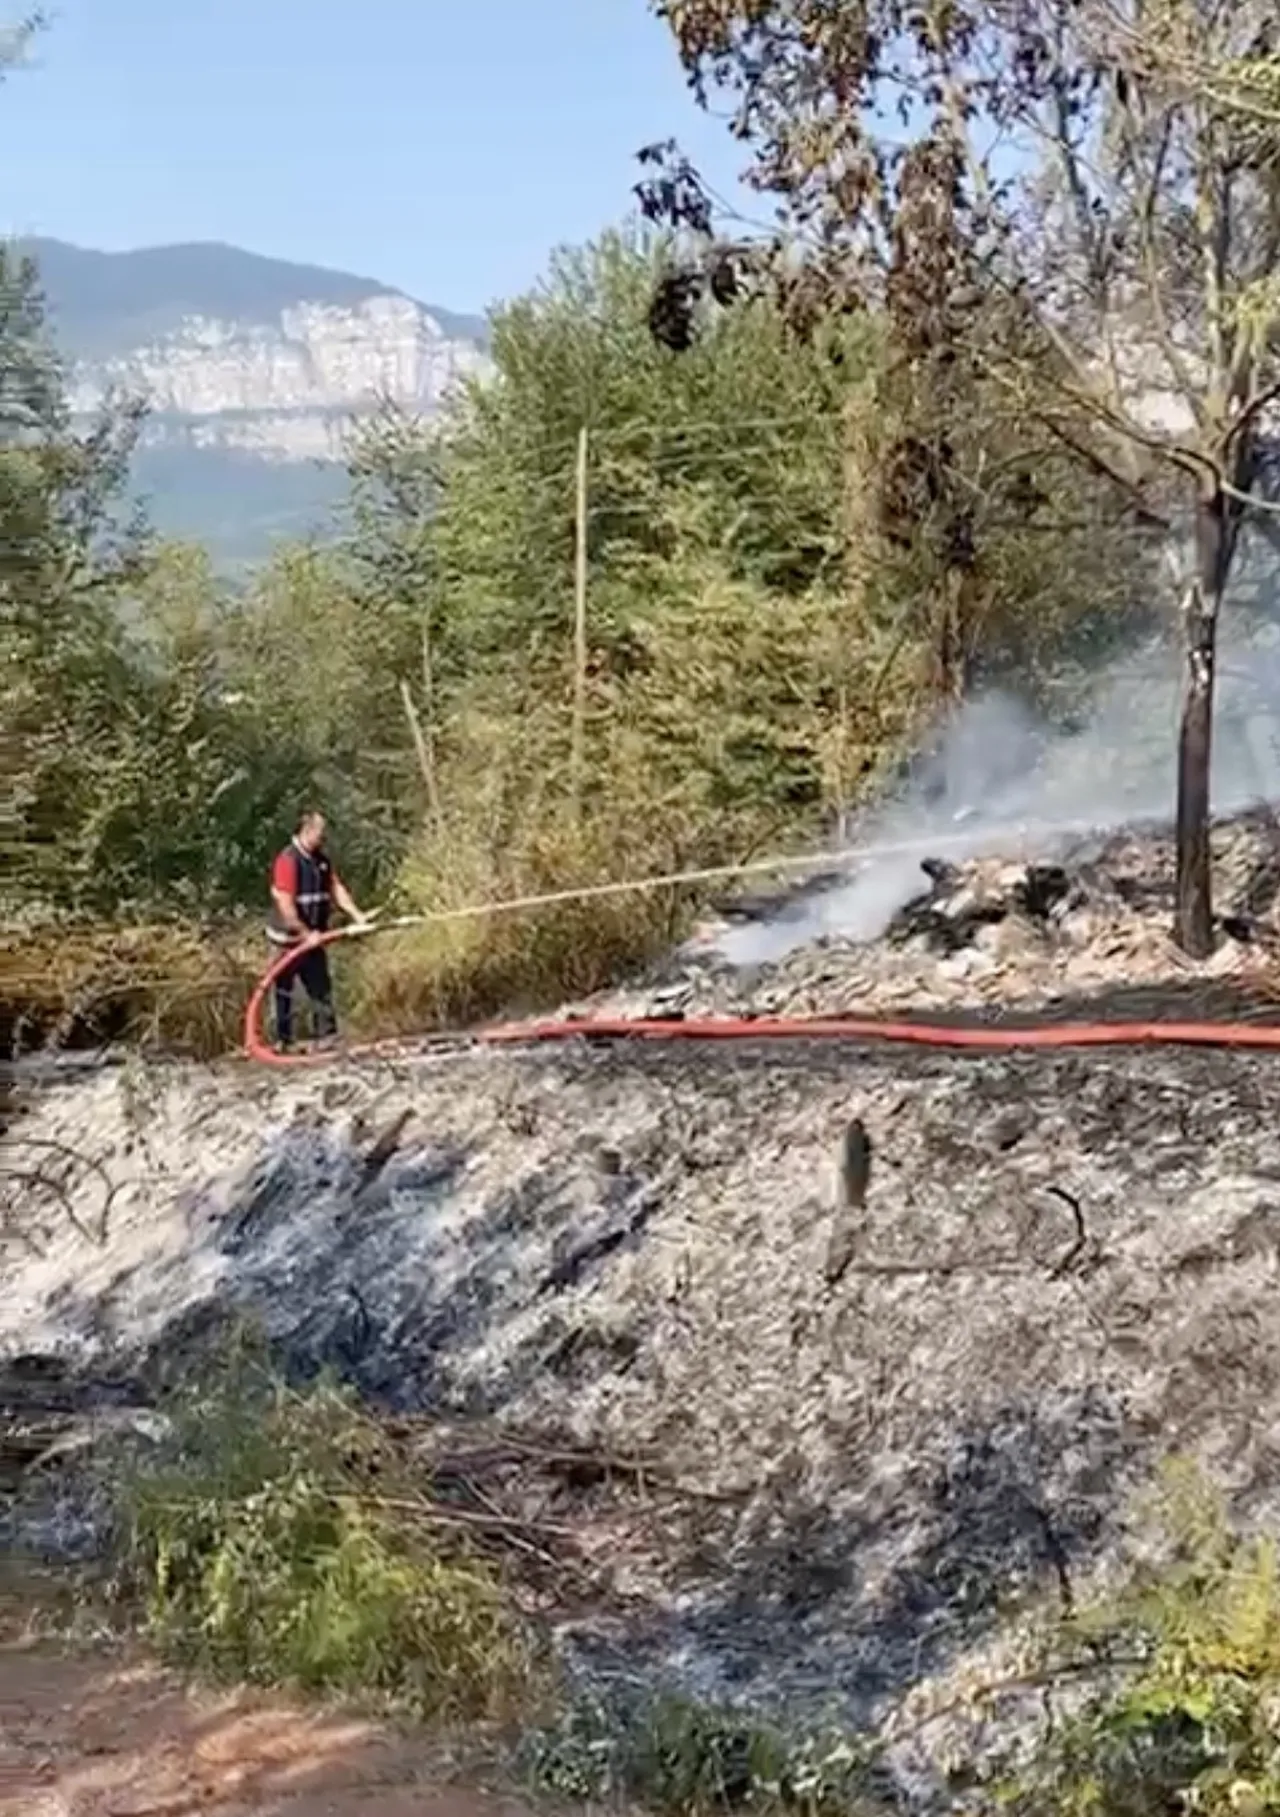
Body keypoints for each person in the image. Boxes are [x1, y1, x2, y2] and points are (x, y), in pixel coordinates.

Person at [267, 810, 368, 1049]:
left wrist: (357, 915)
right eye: (321, 832)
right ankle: (282, 1042)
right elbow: (287, 907)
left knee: (320, 987)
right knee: (283, 991)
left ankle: (327, 1039)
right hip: (287, 940)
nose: (324, 837)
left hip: (314, 937)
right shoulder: (288, 861)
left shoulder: (321, 860)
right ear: (307, 831)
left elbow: (336, 889)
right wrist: (305, 934)